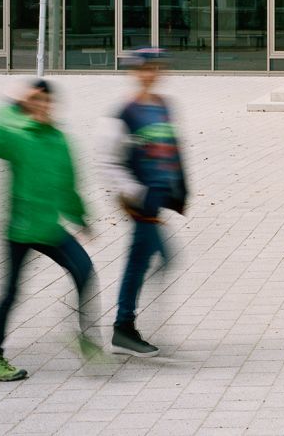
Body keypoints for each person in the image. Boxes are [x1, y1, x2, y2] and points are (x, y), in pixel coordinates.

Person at [0, 79, 101, 383]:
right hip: (19, 229)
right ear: (28, 104)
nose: (43, 107)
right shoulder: (16, 133)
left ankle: (86, 338)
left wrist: (80, 216)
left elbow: (69, 183)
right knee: (10, 294)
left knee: (85, 271)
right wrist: (9, 102)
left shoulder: (58, 139)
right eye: (36, 102)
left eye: (47, 102)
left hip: (49, 227)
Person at [97, 47, 188, 356]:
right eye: (144, 69)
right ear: (135, 73)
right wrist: (134, 193)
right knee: (147, 261)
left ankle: (126, 326)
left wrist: (178, 188)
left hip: (157, 199)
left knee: (151, 259)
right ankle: (124, 327)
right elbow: (107, 163)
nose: (150, 74)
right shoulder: (124, 113)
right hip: (140, 202)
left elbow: (171, 149)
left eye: (156, 68)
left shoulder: (163, 106)